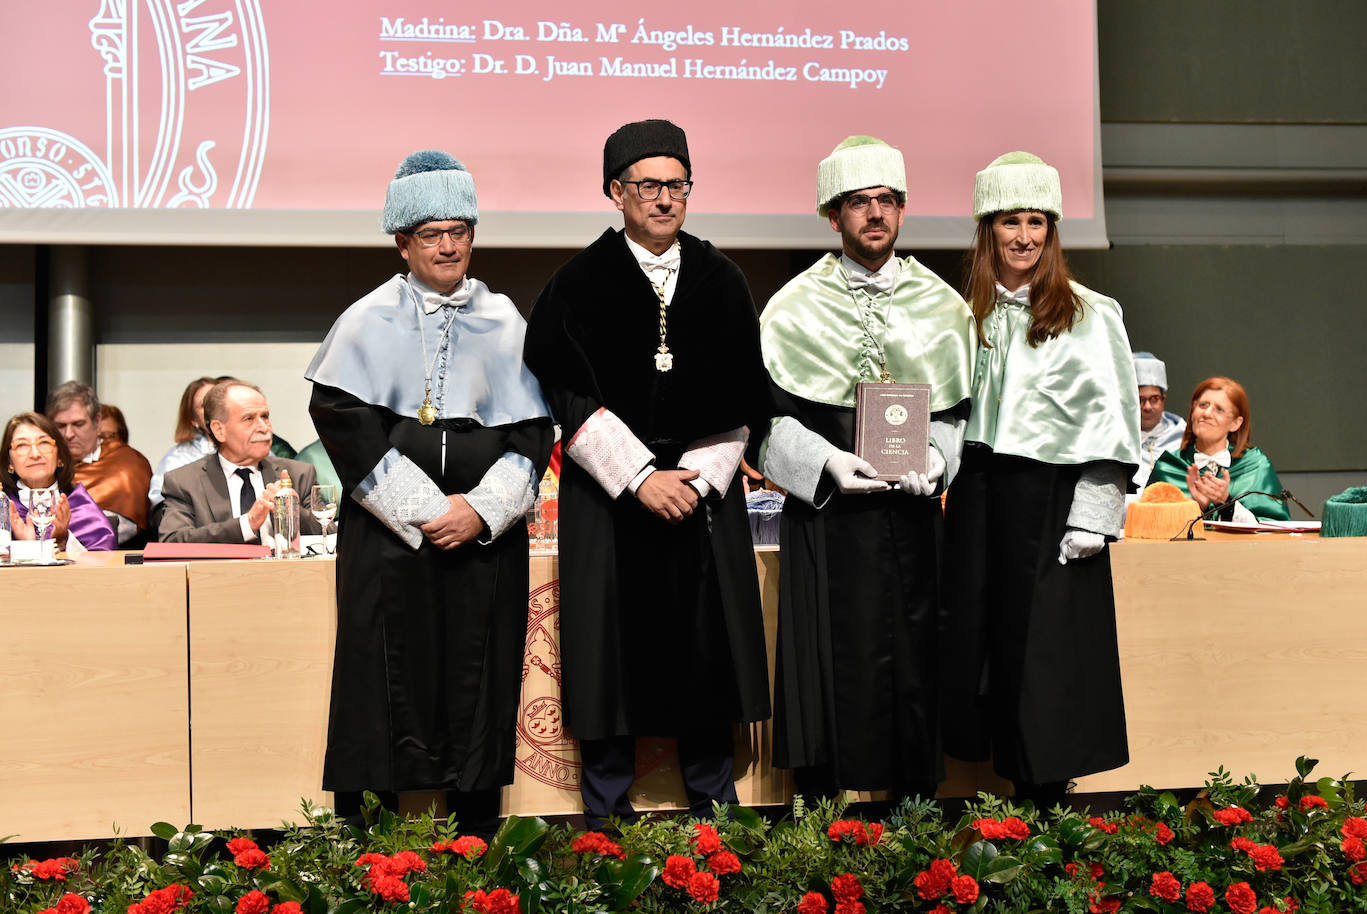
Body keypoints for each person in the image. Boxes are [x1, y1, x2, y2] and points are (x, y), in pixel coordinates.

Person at [523, 119, 772, 830]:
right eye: (649, 185)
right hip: (612, 503)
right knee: (611, 652)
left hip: (701, 498)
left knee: (705, 645)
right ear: (615, 191)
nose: (665, 199)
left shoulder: (722, 280)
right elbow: (567, 396)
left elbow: (745, 394)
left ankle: (715, 815)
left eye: (677, 185)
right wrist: (638, 478)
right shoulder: (576, 284)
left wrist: (692, 477)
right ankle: (605, 821)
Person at [305, 150, 553, 837]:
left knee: (478, 691)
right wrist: (428, 511)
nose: (449, 246)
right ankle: (371, 861)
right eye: (432, 234)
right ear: (403, 243)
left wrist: (479, 511)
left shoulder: (505, 320)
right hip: (392, 547)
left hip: (483, 545)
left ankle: (474, 854)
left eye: (460, 231)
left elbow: (533, 432)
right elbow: (345, 423)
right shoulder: (365, 320)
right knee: (382, 688)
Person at [755, 136, 976, 801]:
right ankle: (827, 836)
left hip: (912, 522)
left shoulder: (944, 308)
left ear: (902, 210)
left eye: (886, 201)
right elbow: (763, 422)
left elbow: (960, 409)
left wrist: (937, 461)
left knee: (914, 672)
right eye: (859, 203)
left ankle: (912, 833)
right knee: (832, 673)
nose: (874, 214)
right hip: (829, 521)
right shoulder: (791, 308)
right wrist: (825, 464)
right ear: (833, 214)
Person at [940, 152, 1139, 808]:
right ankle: (993, 804)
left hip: (1053, 504)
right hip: (977, 496)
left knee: (1048, 657)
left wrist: (1095, 512)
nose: (1023, 236)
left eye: (1037, 223)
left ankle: (1046, 802)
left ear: (1053, 231)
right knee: (980, 639)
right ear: (986, 230)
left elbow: (1111, 424)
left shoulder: (1091, 313)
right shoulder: (960, 314)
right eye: (1009, 222)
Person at [158, 380, 321, 543]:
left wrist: (292, 511)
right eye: (249, 419)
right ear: (219, 430)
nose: (264, 428)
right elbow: (173, 541)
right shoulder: (184, 482)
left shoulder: (299, 474)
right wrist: (247, 524)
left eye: (265, 416)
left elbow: (329, 534)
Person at [1147, 376, 1289, 521]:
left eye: (1219, 409)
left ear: (1235, 423)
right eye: (1203, 405)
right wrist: (1197, 508)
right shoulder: (1168, 467)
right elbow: (1148, 527)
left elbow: (1274, 529)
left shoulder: (1256, 466)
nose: (1207, 414)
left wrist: (1227, 504)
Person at [46, 381, 153, 544]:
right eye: (61, 426)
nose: (68, 434)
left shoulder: (128, 464)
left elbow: (120, 531)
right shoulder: (40, 465)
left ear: (97, 422)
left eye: (78, 424)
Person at [3, 412, 117, 553]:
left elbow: (103, 562)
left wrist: (64, 540)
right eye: (22, 445)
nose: (35, 454)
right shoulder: (3, 507)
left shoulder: (80, 505)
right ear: (9, 462)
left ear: (60, 457)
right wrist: (28, 549)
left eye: (44, 443)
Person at [149, 377, 218, 508]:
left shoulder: (255, 448)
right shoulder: (177, 459)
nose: (213, 408)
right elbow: (161, 507)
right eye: (204, 405)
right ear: (193, 419)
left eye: (216, 401)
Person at [1132, 352, 1185, 489]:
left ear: (1163, 399)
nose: (1147, 407)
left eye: (1154, 399)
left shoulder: (1183, 438)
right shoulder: (1118, 440)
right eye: (1140, 400)